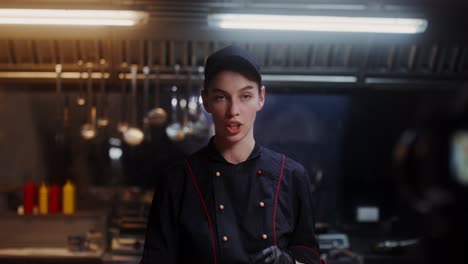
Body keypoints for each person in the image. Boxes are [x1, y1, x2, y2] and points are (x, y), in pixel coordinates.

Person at [141, 45, 324, 264]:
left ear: (261, 98)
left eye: (245, 96)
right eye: (221, 97)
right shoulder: (177, 181)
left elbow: (309, 255)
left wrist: (290, 263)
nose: (233, 111)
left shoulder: (292, 175)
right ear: (206, 100)